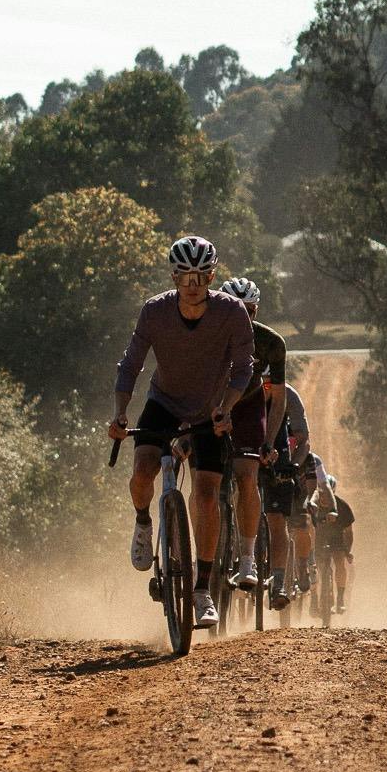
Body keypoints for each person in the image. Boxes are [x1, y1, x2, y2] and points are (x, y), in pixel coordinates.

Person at [108, 235, 254, 630]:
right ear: (173, 277)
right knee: (143, 470)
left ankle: (202, 590)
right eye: (184, 276)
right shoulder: (154, 312)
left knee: (206, 497)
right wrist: (121, 414)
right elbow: (130, 365)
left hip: (209, 411)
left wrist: (227, 407)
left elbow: (243, 368)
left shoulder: (232, 313)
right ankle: (143, 522)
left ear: (212, 276)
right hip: (164, 403)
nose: (193, 284)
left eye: (200, 276)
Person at [217, 276, 287, 594]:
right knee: (208, 482)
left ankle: (247, 559)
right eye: (237, 310)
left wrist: (269, 441)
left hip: (249, 406)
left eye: (251, 310)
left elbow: (280, 398)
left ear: (257, 311)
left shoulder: (272, 343)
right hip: (213, 404)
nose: (244, 317)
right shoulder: (209, 336)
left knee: (247, 475)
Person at [262, 380, 314, 608]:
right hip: (245, 445)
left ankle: (279, 583)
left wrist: (293, 466)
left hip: (279, 453)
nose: (265, 385)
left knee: (276, 520)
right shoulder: (237, 384)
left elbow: (303, 441)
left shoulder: (289, 395)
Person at [309, 458, 355, 613]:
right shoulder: (312, 505)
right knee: (313, 567)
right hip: (317, 538)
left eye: (327, 496)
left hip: (337, 540)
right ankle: (314, 599)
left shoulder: (342, 507)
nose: (324, 499)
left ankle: (340, 598)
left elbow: (348, 532)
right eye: (321, 495)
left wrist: (347, 550)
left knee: (340, 563)